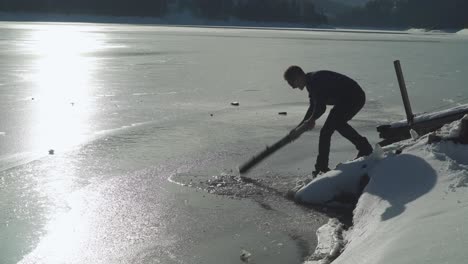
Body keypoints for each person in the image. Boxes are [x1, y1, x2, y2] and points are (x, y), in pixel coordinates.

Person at [284, 65, 373, 176]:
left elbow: (321, 108)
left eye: (292, 83)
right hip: (344, 101)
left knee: (329, 129)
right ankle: (363, 147)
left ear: (299, 76)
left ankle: (322, 168)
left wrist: (311, 120)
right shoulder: (311, 84)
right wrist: (298, 128)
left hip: (354, 97)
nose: (293, 87)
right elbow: (313, 108)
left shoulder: (315, 80)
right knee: (333, 126)